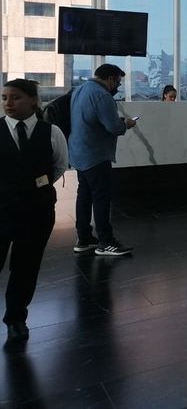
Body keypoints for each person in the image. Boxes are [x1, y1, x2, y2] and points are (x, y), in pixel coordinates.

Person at [0, 79, 68, 343]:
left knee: (25, 267)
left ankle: (16, 318)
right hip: (2, 210)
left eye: (15, 97)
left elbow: (59, 166)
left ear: (33, 100)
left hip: (36, 212)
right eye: (5, 97)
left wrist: (35, 187)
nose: (8, 103)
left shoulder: (51, 132)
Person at [69, 64, 135, 257]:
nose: (117, 87)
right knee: (101, 198)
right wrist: (126, 123)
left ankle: (84, 238)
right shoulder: (102, 95)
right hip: (96, 155)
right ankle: (106, 241)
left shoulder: (80, 90)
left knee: (84, 195)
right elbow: (114, 128)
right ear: (111, 79)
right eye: (118, 82)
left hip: (79, 152)